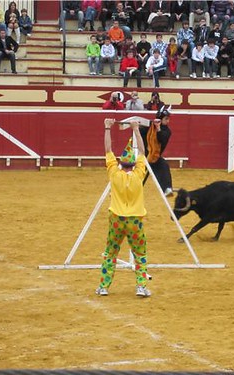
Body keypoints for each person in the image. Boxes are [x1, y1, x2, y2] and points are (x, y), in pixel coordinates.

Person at [95, 119, 150, 298]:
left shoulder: (114, 172)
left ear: (120, 164)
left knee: (110, 253)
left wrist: (107, 127)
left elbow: (107, 150)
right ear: (133, 165)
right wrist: (135, 129)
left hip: (117, 219)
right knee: (140, 254)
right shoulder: (139, 173)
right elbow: (142, 151)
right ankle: (141, 286)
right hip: (135, 220)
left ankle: (103, 286)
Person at [140, 106, 173, 196]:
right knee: (137, 173)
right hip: (143, 156)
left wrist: (158, 128)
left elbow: (162, 138)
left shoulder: (167, 131)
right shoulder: (149, 126)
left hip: (154, 156)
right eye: (166, 119)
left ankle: (167, 188)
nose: (168, 121)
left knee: (164, 165)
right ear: (160, 118)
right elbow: (139, 132)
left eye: (168, 119)